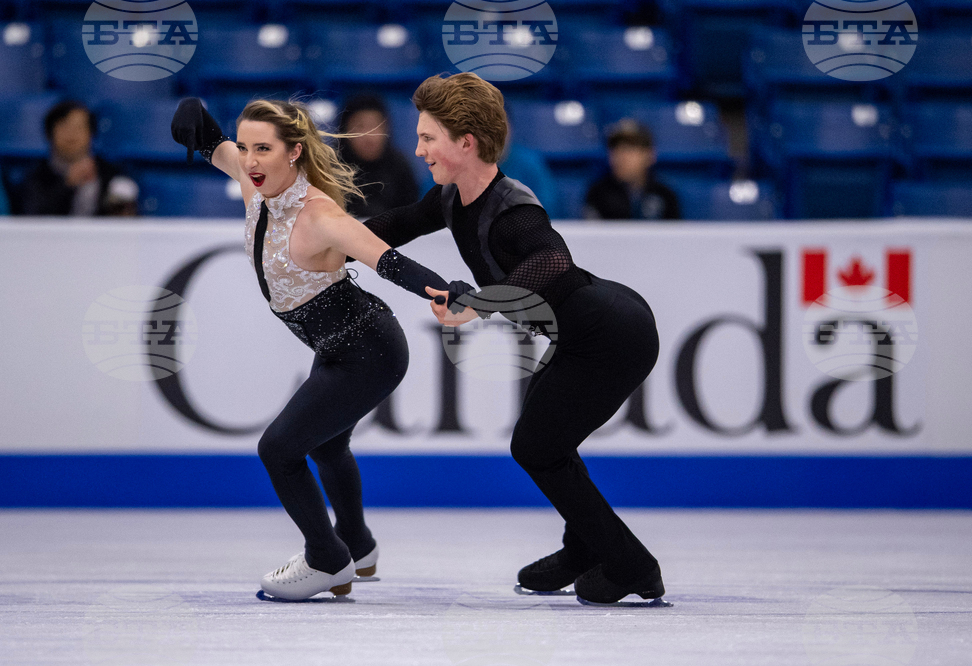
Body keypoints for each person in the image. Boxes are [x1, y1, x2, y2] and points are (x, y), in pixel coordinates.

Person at [362, 73, 666, 605]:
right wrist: (331, 240)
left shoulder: (513, 209)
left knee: (536, 447)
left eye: (428, 137)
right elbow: (400, 222)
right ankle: (585, 549)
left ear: (466, 142)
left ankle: (631, 565)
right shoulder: (452, 198)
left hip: (612, 334)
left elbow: (552, 260)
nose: (418, 149)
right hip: (582, 332)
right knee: (548, 442)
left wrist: (478, 305)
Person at [170, 97, 457, 601]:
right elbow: (212, 141)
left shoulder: (320, 214)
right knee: (326, 445)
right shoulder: (252, 179)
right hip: (334, 345)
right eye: (246, 147)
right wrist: (194, 115)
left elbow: (388, 262)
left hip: (370, 350)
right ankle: (358, 544)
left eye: (264, 148)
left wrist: (445, 292)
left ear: (295, 153)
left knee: (278, 450)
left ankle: (327, 559)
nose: (251, 159)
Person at [18, 100, 138, 216]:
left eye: (79, 127)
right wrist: (67, 185)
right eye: (64, 126)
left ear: (91, 133)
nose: (72, 133)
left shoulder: (111, 173)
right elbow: (33, 220)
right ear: (50, 133)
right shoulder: (36, 177)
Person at [337, 93, 420, 219]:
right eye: (360, 126)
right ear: (345, 130)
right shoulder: (330, 171)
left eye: (375, 126)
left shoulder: (400, 168)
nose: (369, 136)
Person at [583, 119, 680, 221]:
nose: (621, 157)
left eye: (630, 149)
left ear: (650, 155)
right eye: (616, 149)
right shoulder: (598, 193)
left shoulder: (665, 195)